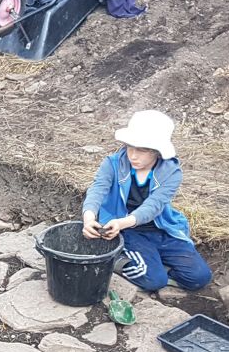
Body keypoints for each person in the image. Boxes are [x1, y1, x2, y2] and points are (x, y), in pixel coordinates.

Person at [81, 109, 212, 292]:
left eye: (142, 150)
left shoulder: (171, 172)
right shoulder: (113, 163)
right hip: (127, 230)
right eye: (129, 147)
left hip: (160, 228)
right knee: (154, 281)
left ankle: (154, 264)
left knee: (199, 277)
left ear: (157, 152)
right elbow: (97, 190)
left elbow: (154, 206)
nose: (133, 155)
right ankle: (117, 258)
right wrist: (89, 218)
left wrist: (123, 222)